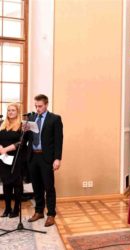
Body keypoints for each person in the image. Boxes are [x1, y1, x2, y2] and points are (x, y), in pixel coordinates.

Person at [25, 94, 63, 227]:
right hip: (33, 156)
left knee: (49, 187)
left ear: (46, 105)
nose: (37, 109)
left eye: (40, 106)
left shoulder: (55, 119)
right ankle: (39, 211)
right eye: (36, 106)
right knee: (37, 186)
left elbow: (59, 141)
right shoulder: (31, 118)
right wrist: (25, 130)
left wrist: (57, 158)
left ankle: (51, 214)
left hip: (46, 158)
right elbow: (27, 139)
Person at [0, 103, 25, 218]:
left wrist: (5, 149)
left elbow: (21, 142)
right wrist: (1, 149)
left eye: (13, 110)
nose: (10, 112)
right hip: (4, 159)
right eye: (9, 110)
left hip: (16, 158)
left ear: (17, 112)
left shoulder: (21, 126)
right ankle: (7, 208)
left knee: (17, 184)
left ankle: (16, 209)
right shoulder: (2, 124)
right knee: (6, 183)